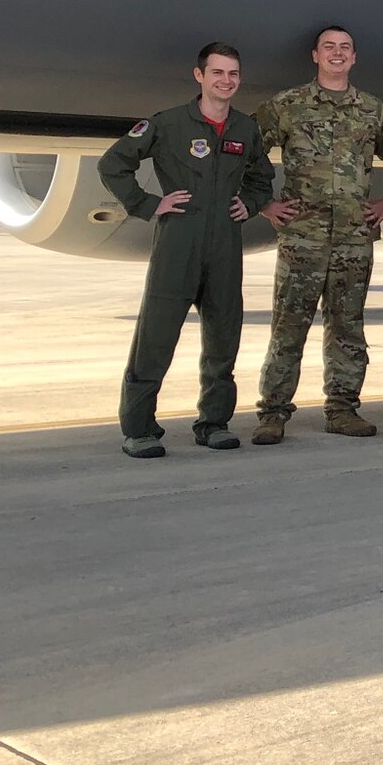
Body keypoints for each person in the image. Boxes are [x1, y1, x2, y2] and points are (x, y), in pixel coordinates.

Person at [99, 42, 273, 458]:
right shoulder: (169, 124)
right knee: (155, 339)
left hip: (225, 247)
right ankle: (139, 429)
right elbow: (113, 164)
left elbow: (262, 177)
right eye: (218, 73)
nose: (226, 81)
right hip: (178, 243)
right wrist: (146, 204)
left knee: (223, 339)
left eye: (233, 74)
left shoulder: (245, 129)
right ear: (200, 76)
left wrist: (248, 204)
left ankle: (213, 422)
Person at [249, 25, 383, 444]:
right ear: (315, 55)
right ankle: (273, 412)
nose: (337, 54)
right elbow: (242, 150)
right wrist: (265, 203)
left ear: (354, 58)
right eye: (329, 48)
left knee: (347, 326)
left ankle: (343, 408)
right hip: (303, 236)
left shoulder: (372, 109)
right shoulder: (287, 106)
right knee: (288, 326)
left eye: (345, 48)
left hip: (355, 236)